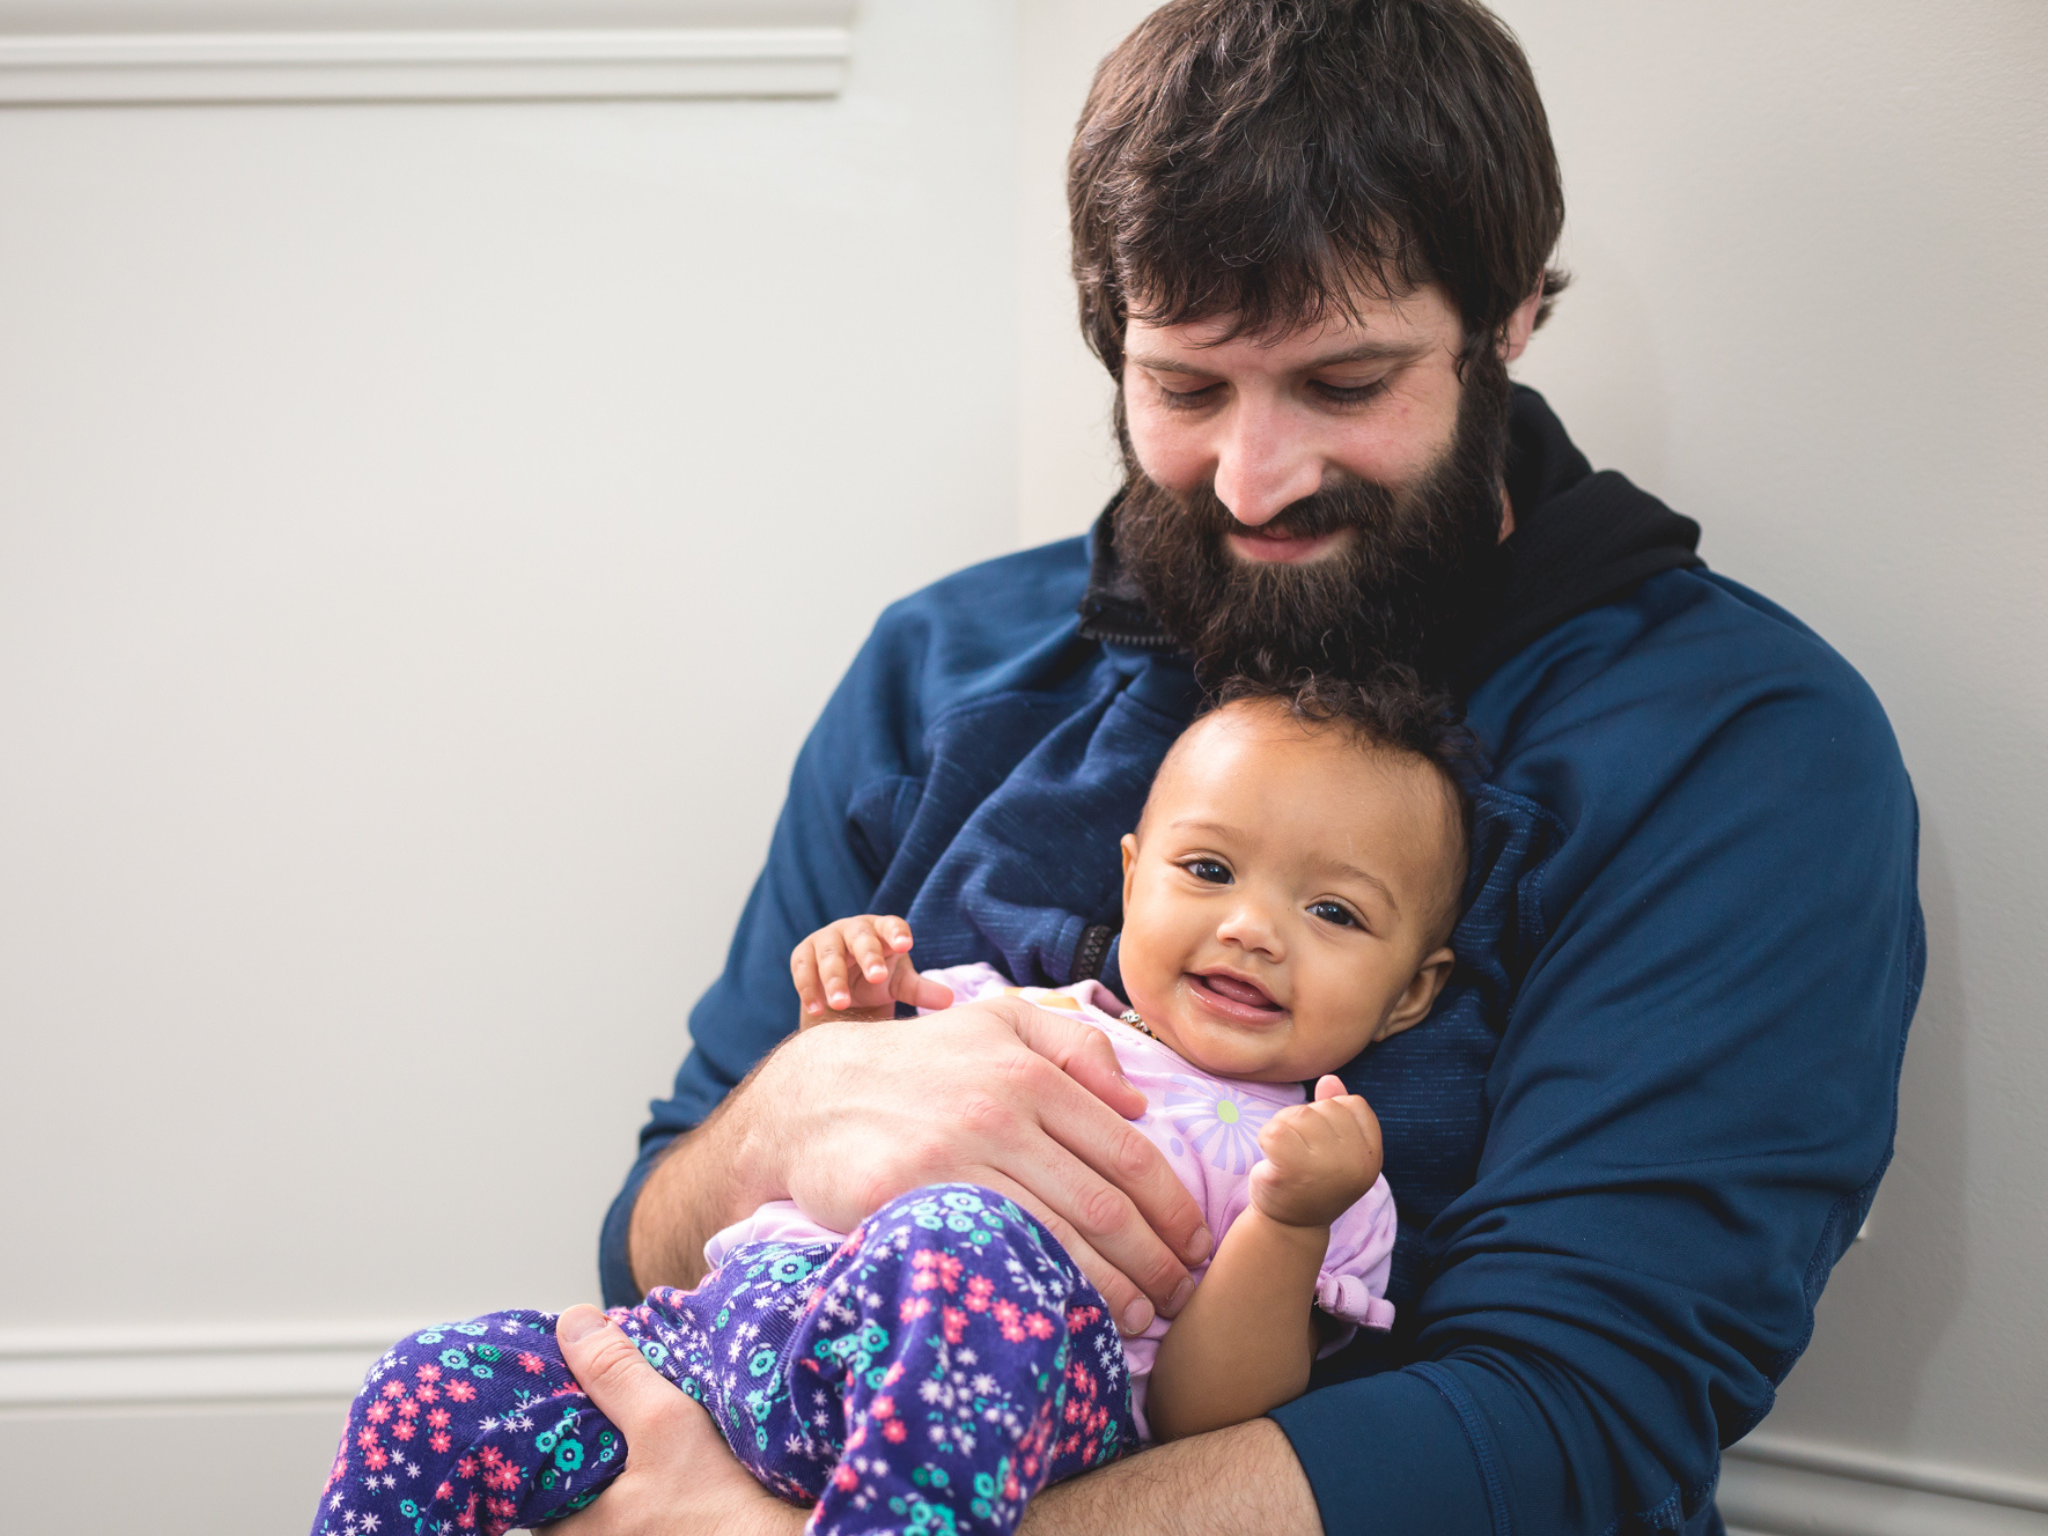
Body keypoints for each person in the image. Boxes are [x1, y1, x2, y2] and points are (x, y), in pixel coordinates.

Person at [570, 2, 1924, 1534]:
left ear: (1510, 320)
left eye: (1346, 386)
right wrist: (786, 1118)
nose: (1257, 479)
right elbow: (648, 1242)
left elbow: (1577, 1423)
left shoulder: (1736, 750)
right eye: (1188, 388)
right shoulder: (945, 664)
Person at [311, 677, 1471, 1536]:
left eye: (1334, 914)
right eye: (1207, 871)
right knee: (443, 1376)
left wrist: (1284, 1223)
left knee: (963, 1242)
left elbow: (1205, 1407)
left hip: (988, 1404)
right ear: (1128, 878)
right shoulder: (989, 1002)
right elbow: (832, 1148)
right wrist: (844, 1020)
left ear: (1411, 990)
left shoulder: (1312, 1165)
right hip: (728, 1348)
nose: (1253, 928)